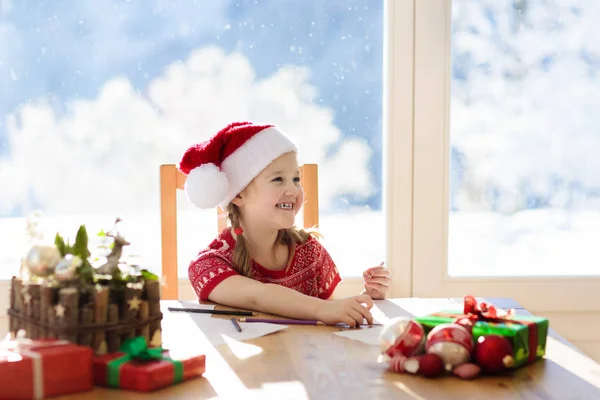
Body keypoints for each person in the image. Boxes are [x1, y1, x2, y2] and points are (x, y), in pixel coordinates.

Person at [180, 121, 392, 327]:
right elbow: (259, 297)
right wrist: (324, 310)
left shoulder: (309, 251)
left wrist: (365, 300)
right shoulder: (208, 264)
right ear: (239, 195)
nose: (293, 190)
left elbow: (330, 313)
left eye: (296, 179)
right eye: (278, 179)